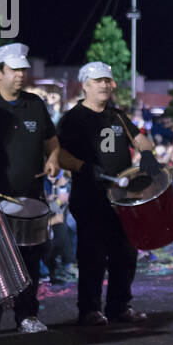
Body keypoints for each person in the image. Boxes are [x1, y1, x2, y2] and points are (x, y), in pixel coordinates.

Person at [0, 42, 59, 335]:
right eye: (14, 70)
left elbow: (52, 142)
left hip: (31, 194)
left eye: (23, 70)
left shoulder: (36, 104)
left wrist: (54, 159)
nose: (20, 75)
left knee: (31, 256)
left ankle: (26, 314)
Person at [57, 62, 153, 326]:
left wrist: (146, 153)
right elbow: (59, 153)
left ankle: (119, 306)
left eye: (108, 81)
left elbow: (141, 140)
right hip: (90, 197)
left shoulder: (118, 115)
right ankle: (88, 309)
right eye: (98, 81)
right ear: (85, 85)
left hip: (122, 198)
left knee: (126, 252)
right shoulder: (73, 118)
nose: (105, 85)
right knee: (93, 255)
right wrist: (83, 167)